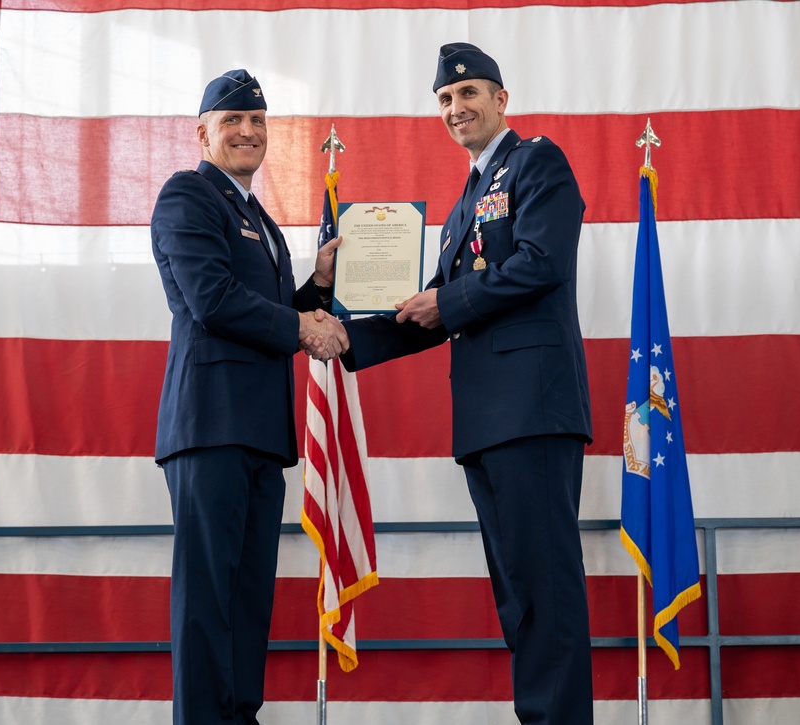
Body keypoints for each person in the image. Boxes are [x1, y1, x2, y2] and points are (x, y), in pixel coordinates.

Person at [338, 43, 594, 723]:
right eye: (446, 100)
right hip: (487, 422)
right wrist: (341, 338)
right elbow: (427, 309)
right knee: (520, 597)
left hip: (532, 412)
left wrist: (445, 304)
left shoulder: (537, 161)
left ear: (501, 99)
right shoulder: (465, 205)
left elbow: (542, 263)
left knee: (547, 592)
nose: (457, 108)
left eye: (470, 93)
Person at [150, 68, 348, 725]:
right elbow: (213, 301)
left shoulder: (259, 219)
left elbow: (266, 314)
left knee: (246, 599)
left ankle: (238, 714)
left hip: (261, 431)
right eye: (232, 119)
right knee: (208, 598)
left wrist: (315, 288)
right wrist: (301, 324)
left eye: (257, 120)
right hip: (210, 427)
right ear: (202, 132)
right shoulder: (189, 196)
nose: (247, 130)